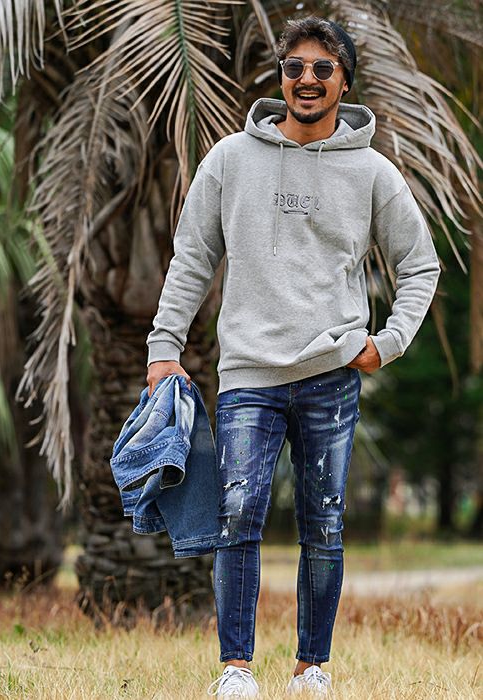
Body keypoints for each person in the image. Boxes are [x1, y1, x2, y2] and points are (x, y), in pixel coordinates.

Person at [146, 15, 441, 698]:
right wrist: (164, 345)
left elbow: (419, 265)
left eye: (322, 68)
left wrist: (388, 343)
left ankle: (312, 668)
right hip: (248, 372)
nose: (306, 79)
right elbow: (191, 259)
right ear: (280, 77)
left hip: (332, 375)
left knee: (325, 525)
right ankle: (236, 669)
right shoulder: (229, 159)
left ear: (345, 81)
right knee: (237, 517)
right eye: (294, 67)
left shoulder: (373, 172)